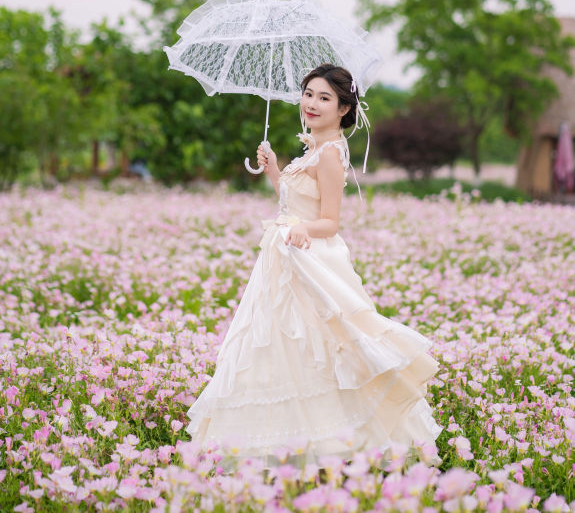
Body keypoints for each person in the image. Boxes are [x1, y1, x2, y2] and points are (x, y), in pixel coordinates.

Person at [185, 63, 443, 472]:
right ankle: (285, 440)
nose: (311, 103)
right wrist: (274, 171)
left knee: (319, 349)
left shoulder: (329, 155)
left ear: (343, 108)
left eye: (324, 98)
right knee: (280, 348)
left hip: (312, 262)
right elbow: (292, 206)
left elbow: (329, 221)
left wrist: (303, 229)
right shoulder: (312, 149)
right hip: (285, 257)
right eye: (308, 94)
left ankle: (338, 444)